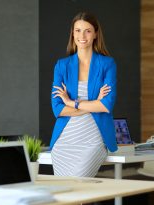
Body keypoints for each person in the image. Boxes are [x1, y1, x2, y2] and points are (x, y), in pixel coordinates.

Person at [50, 12, 118, 177]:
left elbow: (106, 105)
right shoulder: (62, 66)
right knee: (67, 193)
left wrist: (72, 102)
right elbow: (58, 109)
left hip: (93, 139)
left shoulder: (107, 64)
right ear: (72, 34)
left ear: (95, 34)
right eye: (78, 30)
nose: (82, 35)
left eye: (87, 31)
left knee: (80, 183)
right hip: (65, 139)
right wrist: (94, 103)